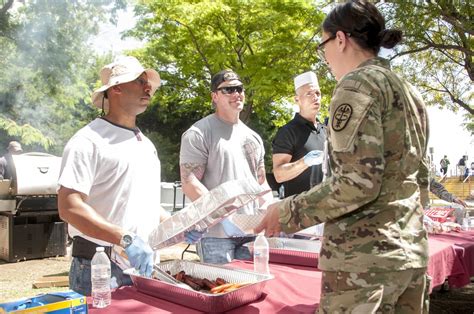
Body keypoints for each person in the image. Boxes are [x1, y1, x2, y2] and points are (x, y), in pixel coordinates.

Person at [256, 1, 430, 312]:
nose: (325, 57)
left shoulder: (356, 85)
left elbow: (356, 183)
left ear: (340, 39)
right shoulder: (408, 91)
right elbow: (422, 176)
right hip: (410, 252)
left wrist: (285, 212)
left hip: (364, 263)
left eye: (323, 46)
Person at [57, 56, 201, 296]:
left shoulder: (146, 145)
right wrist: (125, 239)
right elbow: (69, 207)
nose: (148, 88)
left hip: (144, 269)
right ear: (116, 88)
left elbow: (145, 205)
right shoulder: (88, 140)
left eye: (149, 83)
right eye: (139, 81)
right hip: (100, 268)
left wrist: (179, 228)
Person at [180, 69, 270, 264]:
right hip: (216, 235)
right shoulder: (199, 133)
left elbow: (261, 182)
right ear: (214, 96)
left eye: (239, 88)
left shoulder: (253, 137)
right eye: (228, 89)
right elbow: (190, 182)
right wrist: (223, 217)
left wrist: (270, 215)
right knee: (223, 290)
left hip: (251, 234)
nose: (236, 93)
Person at [272, 71, 327, 198]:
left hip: (327, 207)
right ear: (297, 99)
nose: (315, 97)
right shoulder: (288, 131)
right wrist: (305, 162)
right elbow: (279, 175)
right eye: (309, 93)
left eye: (318, 93)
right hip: (299, 210)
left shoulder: (326, 130)